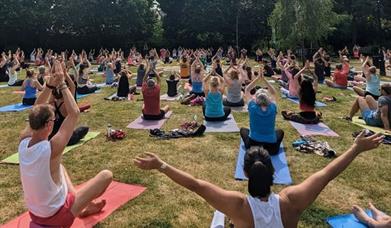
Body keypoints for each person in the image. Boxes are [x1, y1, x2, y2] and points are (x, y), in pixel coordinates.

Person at [134, 130, 383, 228]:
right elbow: (327, 173)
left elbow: (195, 184)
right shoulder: (292, 201)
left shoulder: (238, 206)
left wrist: (161, 165)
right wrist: (355, 148)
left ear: (245, 173)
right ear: (274, 173)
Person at [19, 60, 112, 227]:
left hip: (36, 215)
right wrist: (61, 83)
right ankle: (81, 206)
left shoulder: (23, 141)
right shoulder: (51, 148)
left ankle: (86, 206)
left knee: (60, 167)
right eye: (54, 120)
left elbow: (37, 107)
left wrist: (48, 86)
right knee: (106, 175)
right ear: (48, 125)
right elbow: (74, 113)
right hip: (58, 218)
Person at [240, 67, 284, 155]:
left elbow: (247, 89)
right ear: (268, 98)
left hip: (253, 146)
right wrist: (264, 79)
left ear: (256, 98)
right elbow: (274, 92)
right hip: (272, 148)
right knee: (280, 132)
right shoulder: (273, 107)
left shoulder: (252, 106)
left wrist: (258, 78)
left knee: (243, 130)